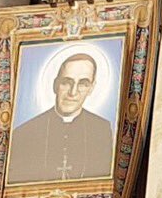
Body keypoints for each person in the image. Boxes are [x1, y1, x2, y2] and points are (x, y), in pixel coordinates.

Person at [7, 52, 115, 183]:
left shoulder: (102, 129)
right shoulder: (25, 132)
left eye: (83, 84)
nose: (73, 92)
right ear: (55, 85)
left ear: (91, 89)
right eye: (66, 82)